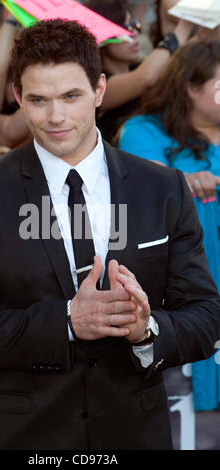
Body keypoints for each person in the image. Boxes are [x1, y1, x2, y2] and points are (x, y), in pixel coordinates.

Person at [0, 19, 219, 451]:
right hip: (22, 438)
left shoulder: (161, 187)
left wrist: (147, 330)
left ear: (100, 90)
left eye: (71, 96)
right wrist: (66, 322)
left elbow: (205, 315)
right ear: (16, 98)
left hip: (135, 434)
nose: (55, 116)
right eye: (38, 100)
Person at [119, 39, 220, 412]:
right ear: (191, 88)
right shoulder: (142, 131)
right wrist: (186, 180)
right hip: (178, 287)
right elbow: (140, 183)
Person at [84, 0, 194, 144]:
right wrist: (186, 24)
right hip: (123, 163)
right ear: (103, 36)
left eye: (134, 25)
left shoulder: (139, 67)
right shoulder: (98, 84)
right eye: (125, 28)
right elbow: (144, 78)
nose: (134, 33)